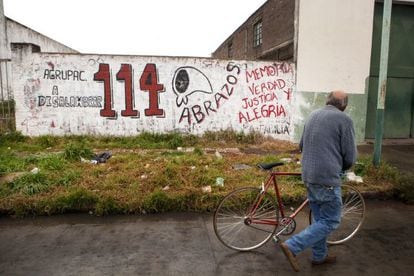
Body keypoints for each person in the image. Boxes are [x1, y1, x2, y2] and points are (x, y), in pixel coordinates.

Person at [279, 90, 357, 272]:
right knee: (331, 220)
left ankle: (319, 256)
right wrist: (343, 167)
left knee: (320, 219)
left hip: (309, 175)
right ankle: (292, 245)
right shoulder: (344, 120)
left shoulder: (313, 114)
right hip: (327, 177)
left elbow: (301, 146)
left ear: (327, 101)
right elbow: (350, 155)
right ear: (344, 105)